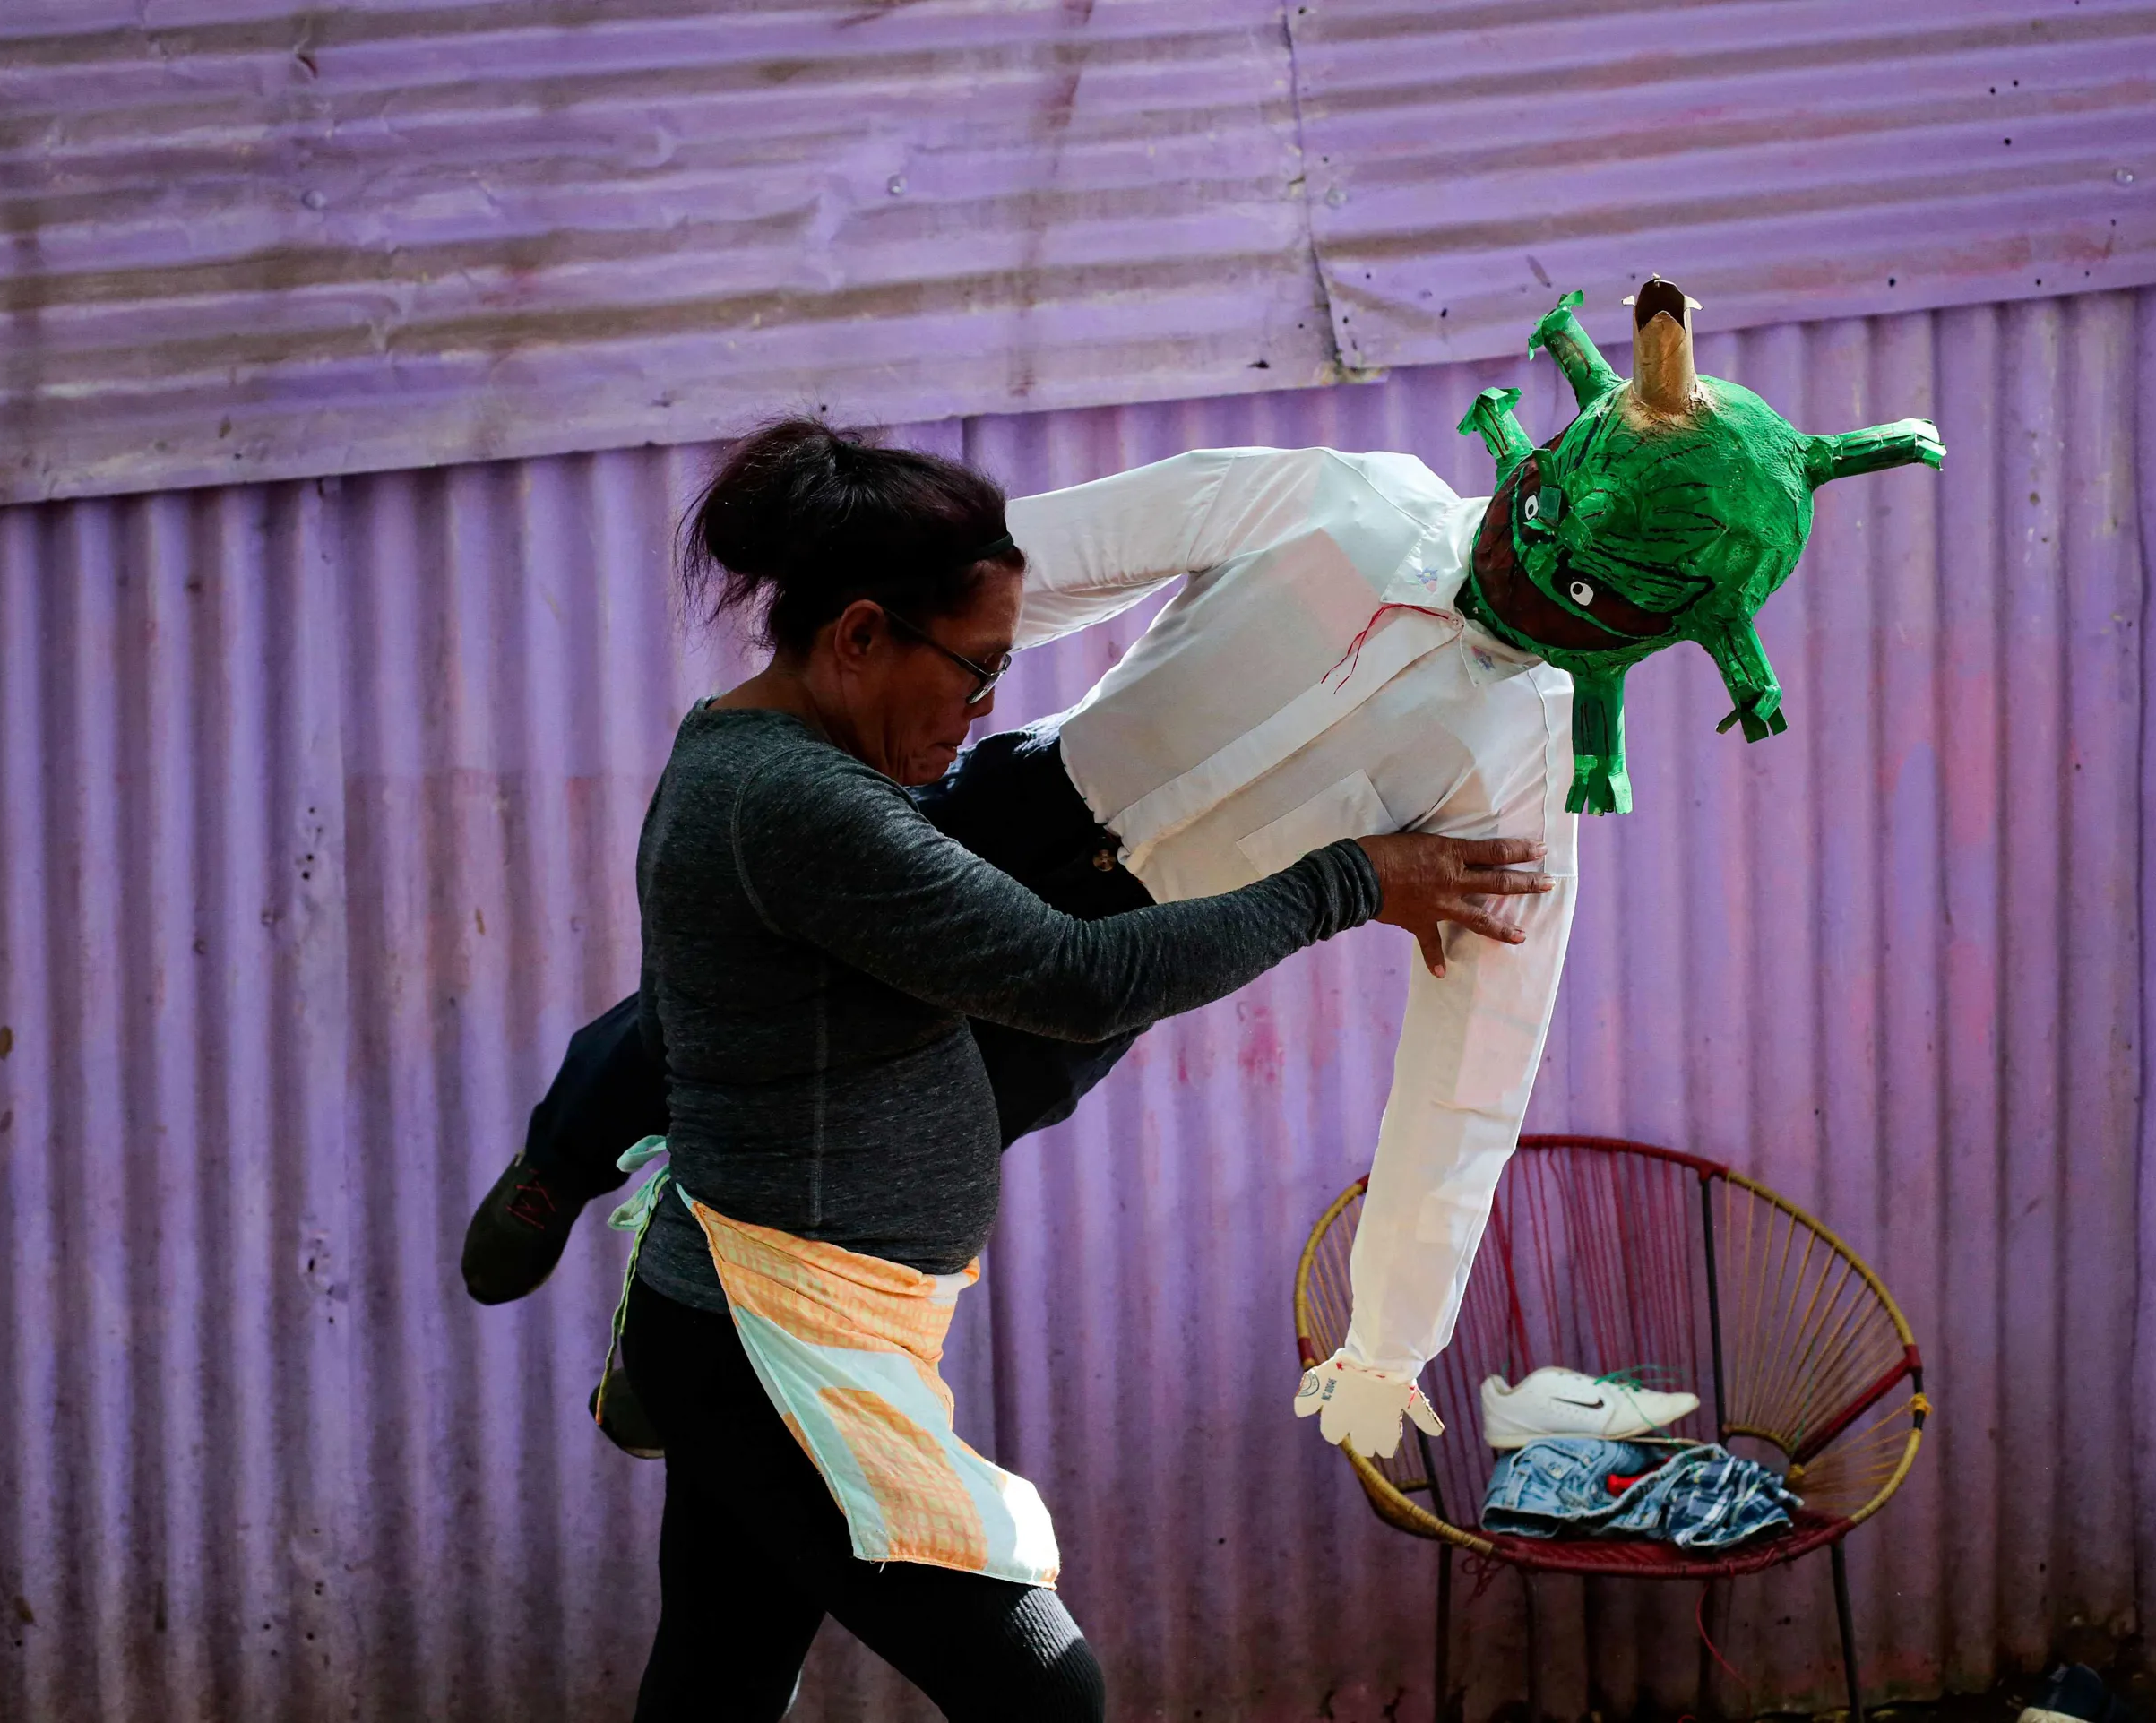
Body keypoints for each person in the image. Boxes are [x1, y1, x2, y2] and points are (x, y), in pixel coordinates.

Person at [472, 280, 1942, 1469]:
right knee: (709, 1024)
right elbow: (1060, 558)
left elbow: (1473, 1070)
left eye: (1585, 593)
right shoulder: (1340, 502)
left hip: (1119, 971)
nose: (1515, 575)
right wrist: (876, 635)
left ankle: (691, 1333)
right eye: (1533, 532)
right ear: (1542, 464)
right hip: (1007, 812)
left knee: (887, 1160)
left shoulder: (1515, 778)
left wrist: (1388, 1343)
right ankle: (564, 1156)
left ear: (1653, 635)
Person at [606, 419, 1548, 1723]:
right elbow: (1079, 976)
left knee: (718, 1680)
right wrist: (1347, 879)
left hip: (764, 1314)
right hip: (775, 1331)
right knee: (1044, 1687)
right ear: (861, 635)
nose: (989, 710)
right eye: (977, 671)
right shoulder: (799, 802)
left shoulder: (772, 766)